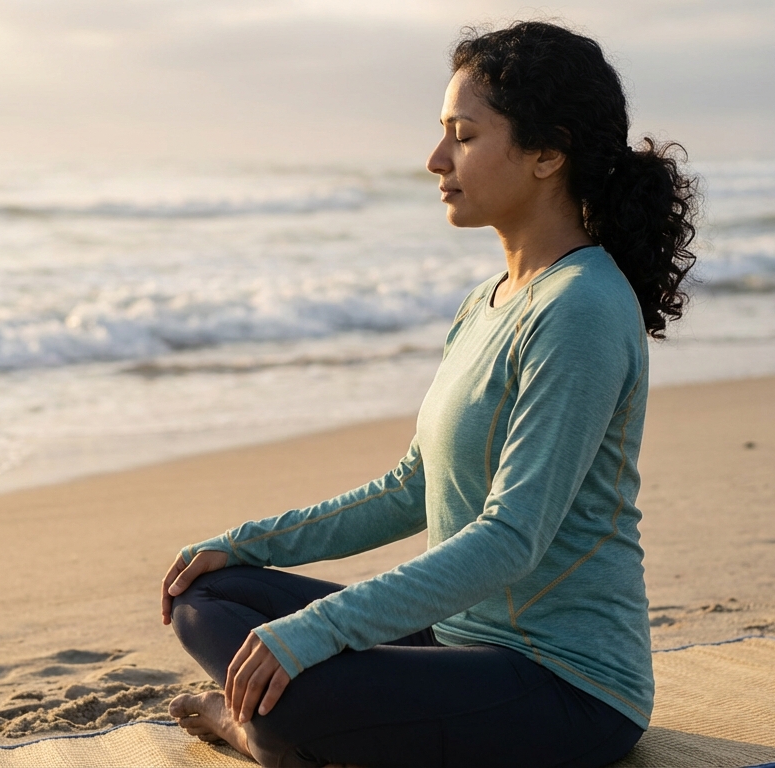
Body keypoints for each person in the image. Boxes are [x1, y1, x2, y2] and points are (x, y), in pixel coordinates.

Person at [158, 20, 697, 768]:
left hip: (565, 685)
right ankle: (281, 724)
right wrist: (244, 544)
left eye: (465, 136)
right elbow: (413, 487)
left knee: (296, 699)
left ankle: (262, 731)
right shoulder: (488, 301)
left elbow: (513, 537)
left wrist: (318, 630)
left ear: (548, 152)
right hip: (455, 643)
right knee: (208, 598)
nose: (436, 159)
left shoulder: (583, 309)